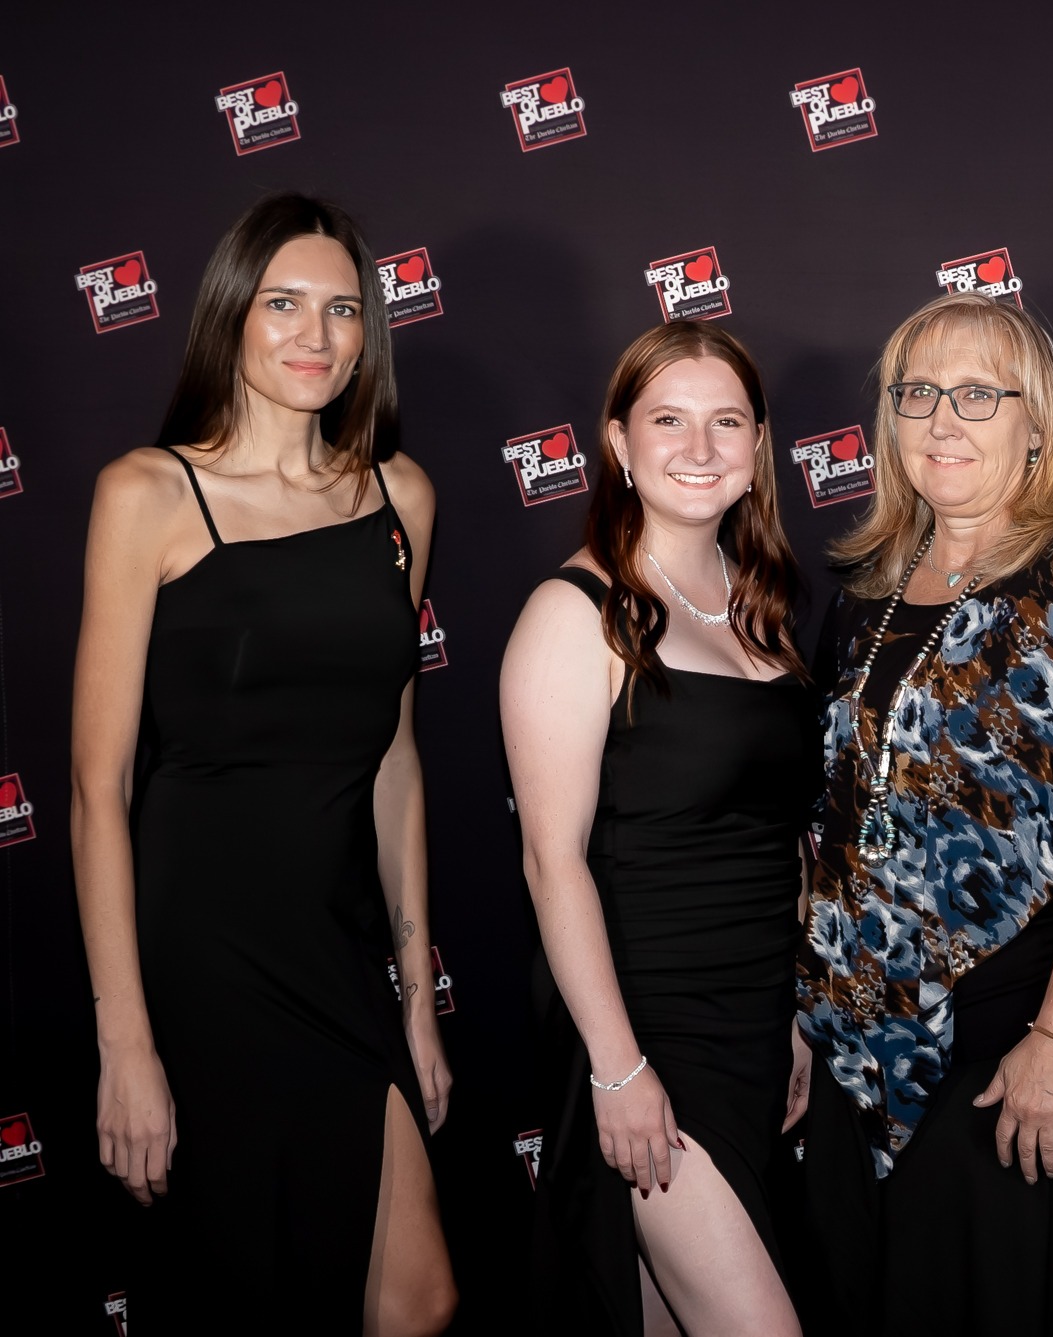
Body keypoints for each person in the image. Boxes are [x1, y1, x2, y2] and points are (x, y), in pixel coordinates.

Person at [70, 193, 455, 1333]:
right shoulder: (148, 493)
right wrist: (124, 1041)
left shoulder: (400, 496)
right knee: (248, 1291)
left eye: (342, 309)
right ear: (231, 314)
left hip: (338, 944)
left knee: (418, 1300)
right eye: (283, 303)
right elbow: (96, 790)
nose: (315, 335)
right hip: (203, 954)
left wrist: (418, 1000)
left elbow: (394, 758)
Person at [789, 291, 1053, 1337]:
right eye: (917, 392)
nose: (942, 419)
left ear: (1036, 424)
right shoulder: (864, 588)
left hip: (1013, 1039)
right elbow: (833, 816)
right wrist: (809, 1007)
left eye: (977, 394)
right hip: (855, 1044)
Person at [502, 321, 814, 1337]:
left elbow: (777, 838)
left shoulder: (759, 606)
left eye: (726, 421)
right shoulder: (576, 612)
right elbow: (551, 862)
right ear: (617, 443)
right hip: (647, 1027)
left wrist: (794, 1019)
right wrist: (619, 1065)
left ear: (758, 444)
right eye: (668, 420)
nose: (699, 447)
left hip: (755, 1020)